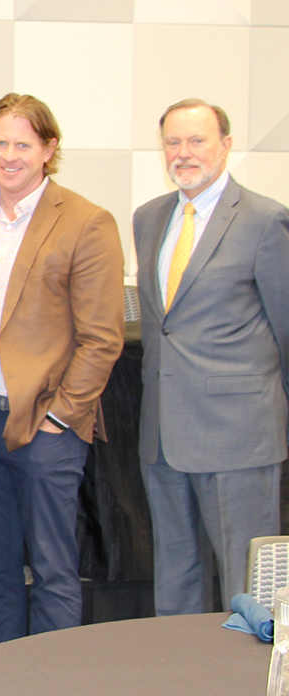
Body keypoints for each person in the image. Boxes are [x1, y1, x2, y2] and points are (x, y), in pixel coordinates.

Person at [0, 93, 124, 648]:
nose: (10, 155)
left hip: (46, 423)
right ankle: (0, 688)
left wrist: (63, 418)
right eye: (1, 143)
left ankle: (51, 694)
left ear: (49, 149)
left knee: (52, 570)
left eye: (23, 144)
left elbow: (101, 337)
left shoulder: (88, 222)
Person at [135, 99, 289, 615]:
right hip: (162, 437)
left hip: (239, 438)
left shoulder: (266, 220)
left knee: (247, 592)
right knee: (175, 583)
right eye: (173, 142)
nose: (183, 153)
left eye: (197, 140)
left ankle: (251, 694)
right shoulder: (149, 218)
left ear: (225, 146)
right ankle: (178, 692)